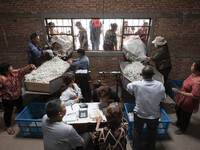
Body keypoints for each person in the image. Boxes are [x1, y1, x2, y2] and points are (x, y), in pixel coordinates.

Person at [127, 65, 166, 150]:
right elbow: (163, 98)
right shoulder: (160, 85)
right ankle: (150, 147)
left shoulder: (136, 84)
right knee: (152, 132)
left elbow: (128, 87)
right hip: (154, 115)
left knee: (137, 131)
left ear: (141, 74)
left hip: (139, 114)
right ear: (154, 74)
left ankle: (135, 147)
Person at [0, 62, 36, 135]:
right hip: (8, 98)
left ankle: (25, 120)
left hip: (17, 95)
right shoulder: (1, 79)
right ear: (6, 71)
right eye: (10, 67)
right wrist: (4, 93)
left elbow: (21, 70)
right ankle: (8, 126)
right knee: (8, 112)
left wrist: (30, 66)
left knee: (21, 107)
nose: (12, 67)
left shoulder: (13, 73)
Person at [172, 61, 200, 135]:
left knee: (185, 115)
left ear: (197, 70)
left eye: (193, 66)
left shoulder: (198, 81)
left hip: (189, 101)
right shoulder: (193, 74)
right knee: (178, 110)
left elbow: (195, 95)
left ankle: (183, 128)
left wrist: (180, 92)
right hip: (182, 96)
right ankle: (179, 122)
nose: (191, 66)